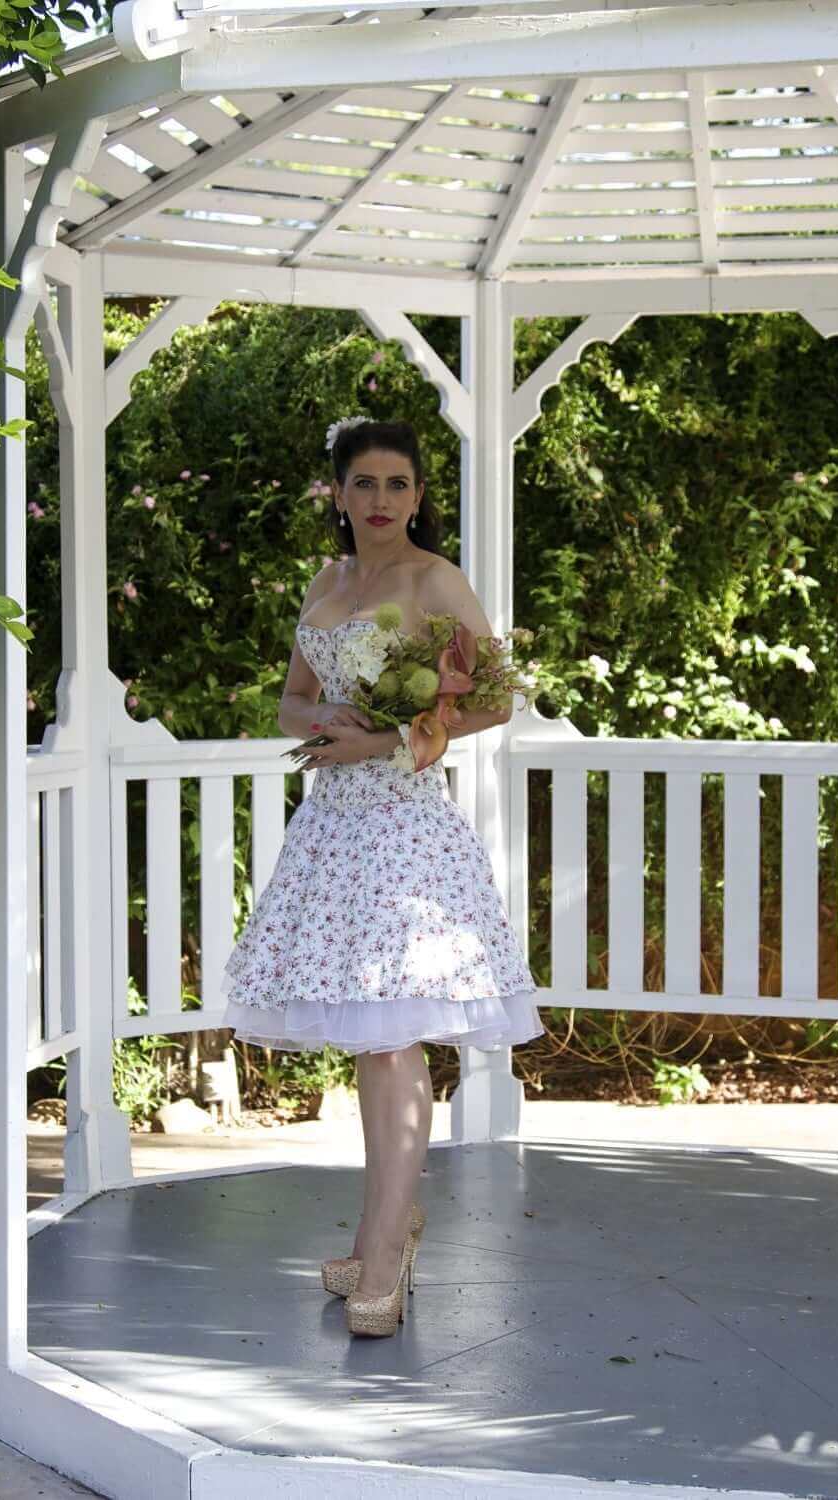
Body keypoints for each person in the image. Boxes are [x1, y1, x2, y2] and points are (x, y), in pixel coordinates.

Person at [218, 415, 544, 1339]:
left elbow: (488, 699)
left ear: (419, 495)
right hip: (330, 834)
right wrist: (324, 717)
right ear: (338, 492)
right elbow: (289, 695)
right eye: (364, 484)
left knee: (394, 1041)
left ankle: (383, 1255)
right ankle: (383, 1230)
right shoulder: (327, 581)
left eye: (398, 485)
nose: (382, 501)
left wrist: (390, 736)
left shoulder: (434, 579)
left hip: (404, 834)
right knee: (370, 1045)